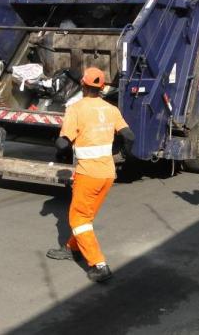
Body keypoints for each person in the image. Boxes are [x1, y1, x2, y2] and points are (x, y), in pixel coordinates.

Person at [45, 67, 134, 282]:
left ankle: (99, 265)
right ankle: (71, 248)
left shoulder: (76, 109)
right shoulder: (111, 109)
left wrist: (57, 143)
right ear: (102, 87)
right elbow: (129, 136)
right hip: (107, 174)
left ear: (82, 85)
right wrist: (124, 153)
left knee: (78, 219)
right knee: (87, 216)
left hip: (88, 174)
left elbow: (63, 142)